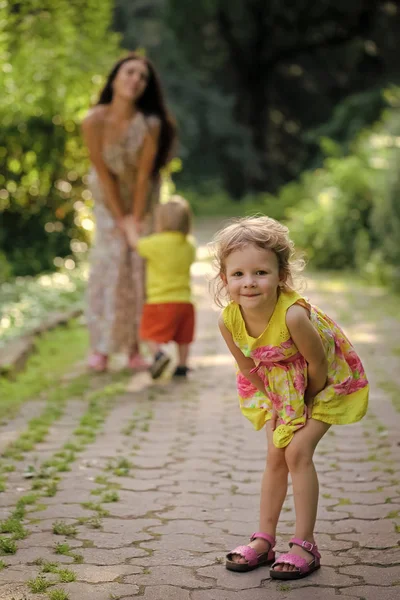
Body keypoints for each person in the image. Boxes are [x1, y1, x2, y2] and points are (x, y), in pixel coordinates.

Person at [212, 216, 369, 580]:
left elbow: (318, 364)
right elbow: (248, 367)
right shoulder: (228, 320)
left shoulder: (295, 316)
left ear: (280, 275)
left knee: (297, 451)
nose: (249, 282)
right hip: (280, 387)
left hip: (324, 383)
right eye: (238, 275)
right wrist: (278, 403)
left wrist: (305, 403)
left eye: (260, 273)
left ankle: (304, 544)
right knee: (275, 454)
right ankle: (264, 539)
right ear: (225, 279)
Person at [81, 52, 176, 372]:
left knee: (138, 271)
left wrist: (134, 220)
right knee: (109, 269)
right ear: (115, 78)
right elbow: (103, 174)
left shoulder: (150, 124)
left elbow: (142, 177)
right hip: (108, 201)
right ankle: (101, 348)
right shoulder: (93, 120)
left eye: (143, 77)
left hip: (141, 200)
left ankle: (136, 348)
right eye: (129, 72)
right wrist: (119, 218)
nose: (135, 80)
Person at [124, 195, 196, 379]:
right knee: (183, 338)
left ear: (160, 221)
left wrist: (130, 227)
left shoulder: (156, 243)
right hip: (185, 302)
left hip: (159, 300)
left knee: (148, 332)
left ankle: (159, 355)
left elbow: (135, 244)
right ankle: (182, 366)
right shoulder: (189, 245)